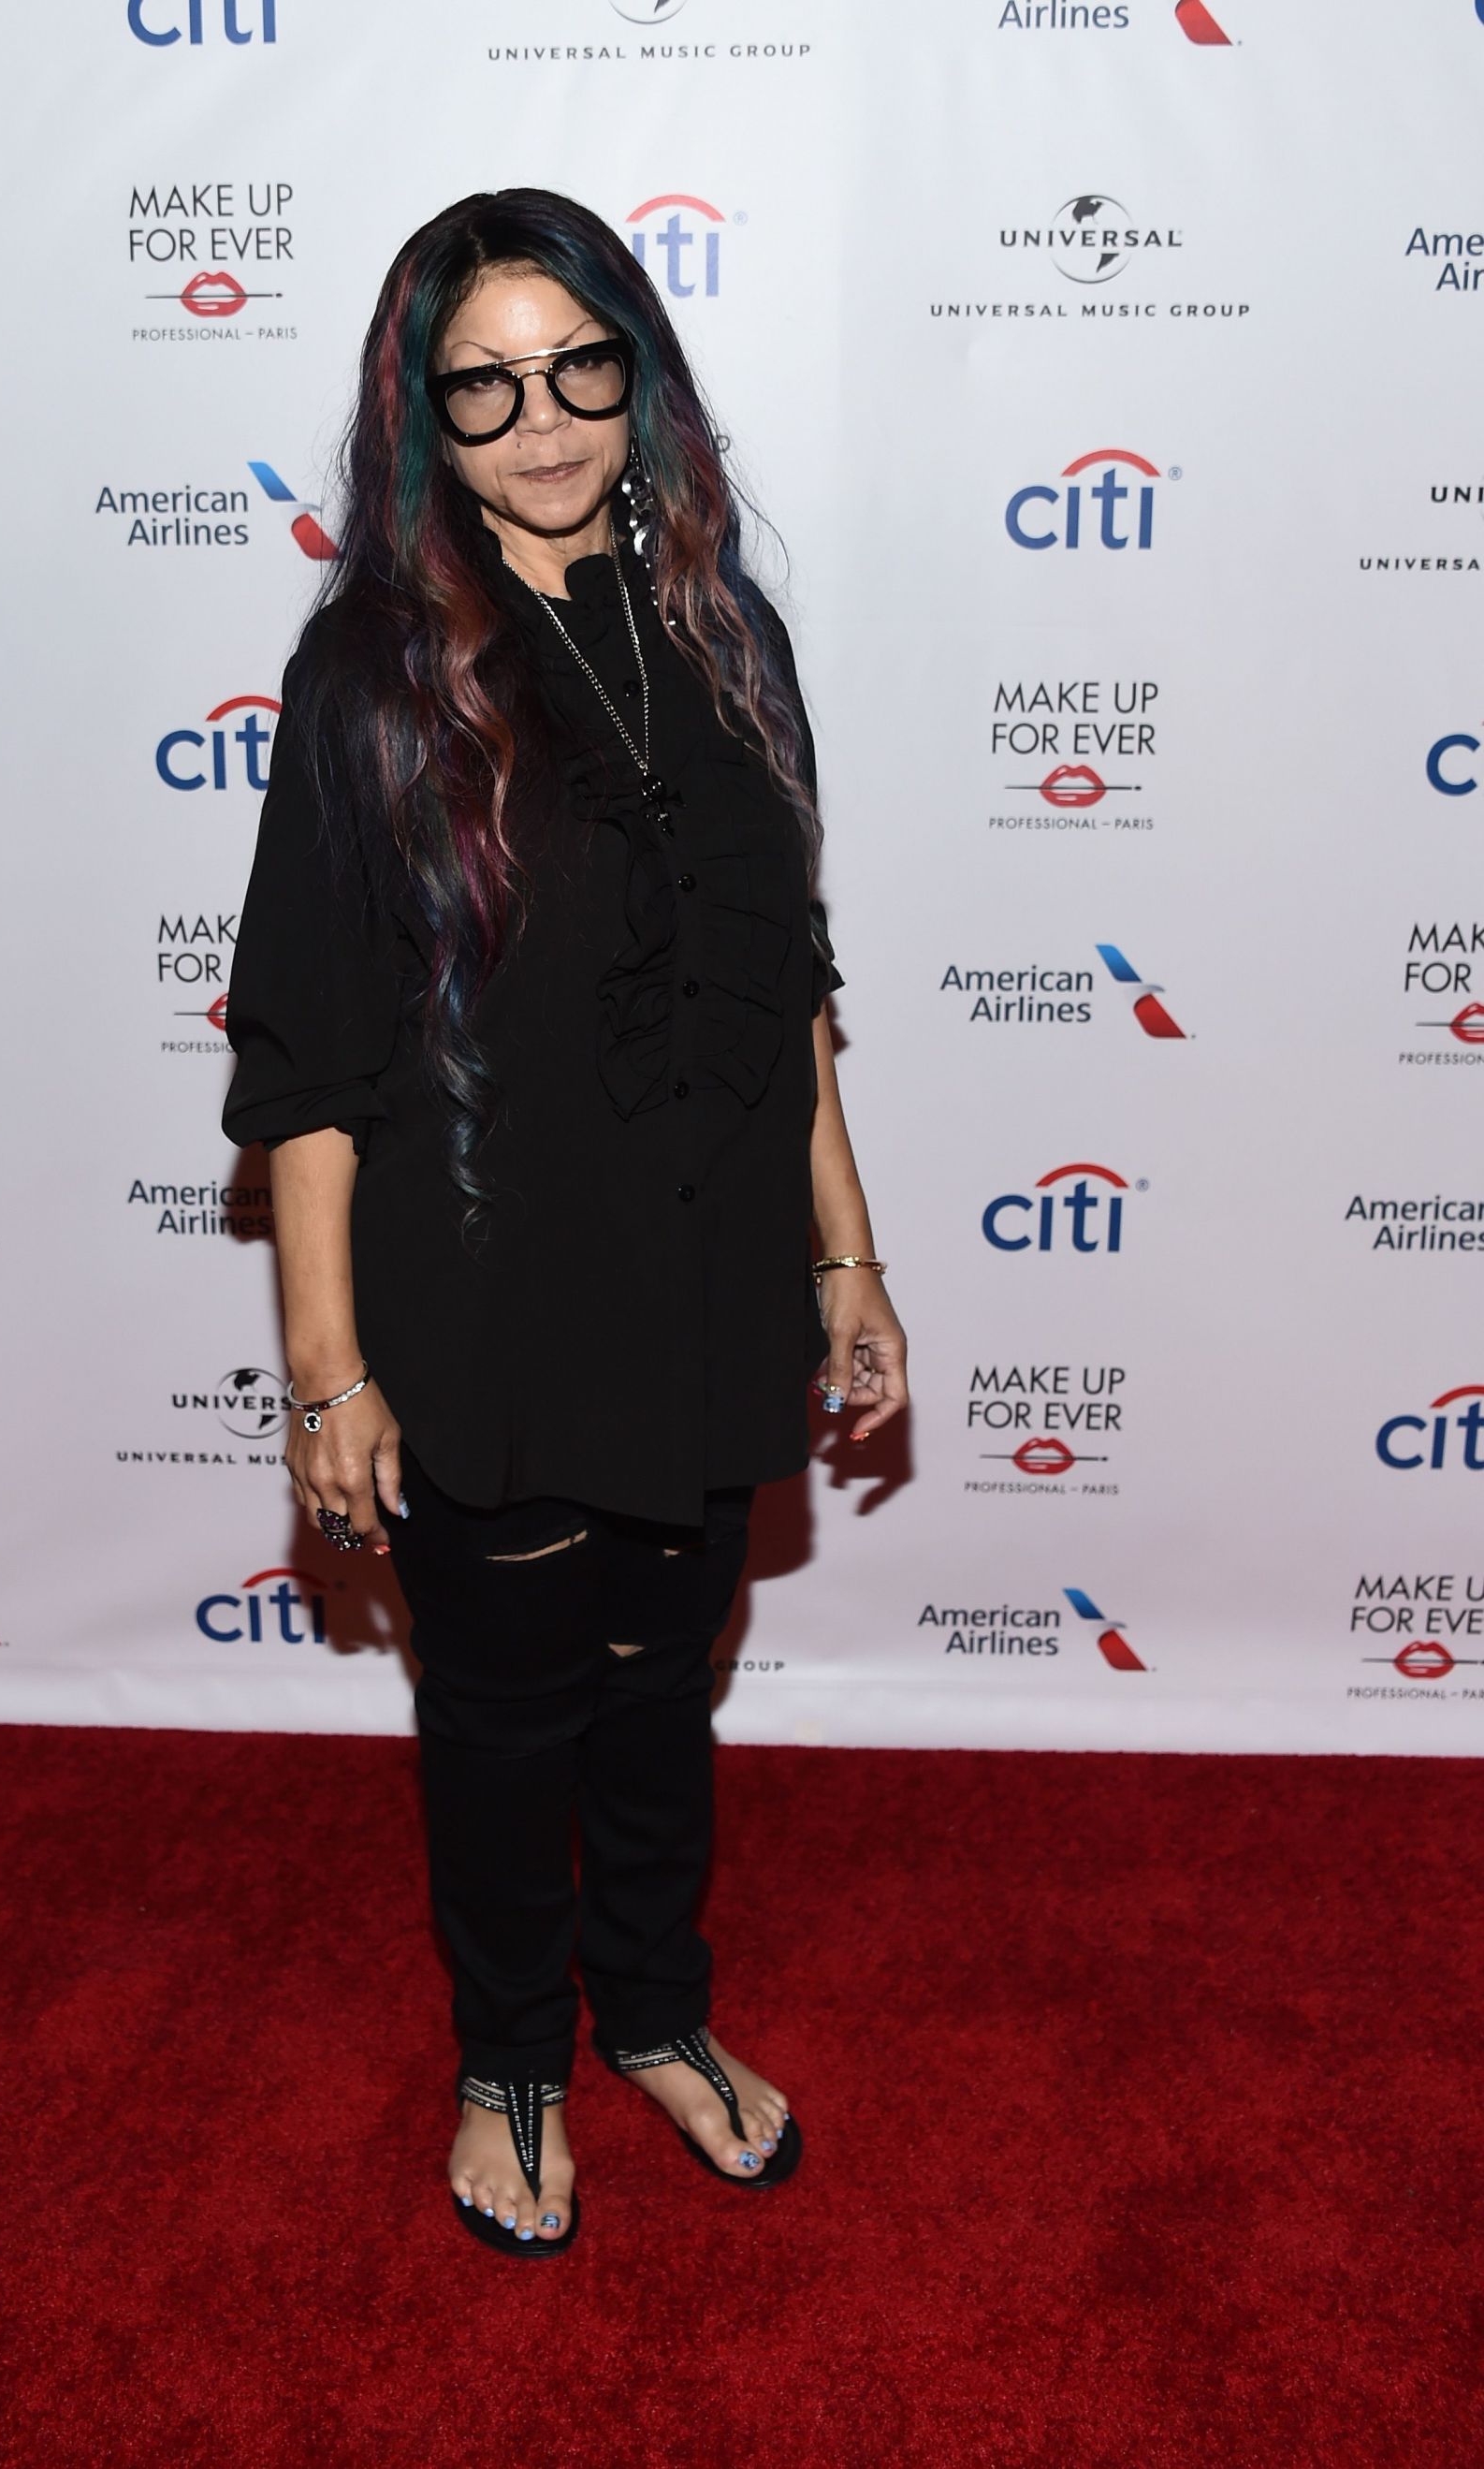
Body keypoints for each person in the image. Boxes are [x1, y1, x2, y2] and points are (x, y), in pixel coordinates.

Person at [222, 188, 908, 2257]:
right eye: (486, 385)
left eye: (580, 366)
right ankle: (515, 2051)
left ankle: (660, 2010)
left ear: (640, 367)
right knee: (509, 1708)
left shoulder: (729, 632)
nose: (544, 420)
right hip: (489, 1294)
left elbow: (782, 988)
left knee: (657, 1680)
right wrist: (326, 1368)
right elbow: (313, 1060)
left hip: (702, 1279)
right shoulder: (372, 674)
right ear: (424, 415)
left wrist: (847, 1255)